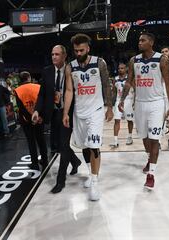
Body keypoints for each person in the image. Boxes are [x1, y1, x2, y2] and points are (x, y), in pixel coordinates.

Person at [119, 33, 169, 190]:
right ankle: (150, 158)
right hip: (140, 104)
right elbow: (129, 82)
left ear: (151, 42)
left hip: (156, 103)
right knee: (144, 139)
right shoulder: (133, 60)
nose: (139, 43)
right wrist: (122, 100)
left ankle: (151, 175)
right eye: (139, 40)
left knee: (154, 138)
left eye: (143, 40)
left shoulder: (162, 59)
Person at [63, 33, 113, 201]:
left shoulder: (99, 63)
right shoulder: (70, 66)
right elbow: (69, 91)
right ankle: (91, 174)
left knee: (93, 145)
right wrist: (65, 113)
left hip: (96, 110)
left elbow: (107, 84)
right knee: (84, 146)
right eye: (76, 50)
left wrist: (110, 107)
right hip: (79, 112)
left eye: (81, 50)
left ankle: (94, 182)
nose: (78, 53)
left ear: (88, 48)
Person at [32, 45, 82, 193]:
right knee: (59, 146)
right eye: (52, 54)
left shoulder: (72, 70)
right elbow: (42, 94)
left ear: (64, 56)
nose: (54, 57)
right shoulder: (47, 71)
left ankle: (61, 181)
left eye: (57, 54)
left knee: (63, 144)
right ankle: (75, 161)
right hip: (52, 113)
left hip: (68, 112)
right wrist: (36, 110)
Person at [15, 72, 48, 171]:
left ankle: (34, 163)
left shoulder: (17, 90)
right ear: (29, 77)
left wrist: (30, 119)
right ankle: (45, 160)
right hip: (39, 118)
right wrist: (39, 117)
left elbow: (21, 108)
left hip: (26, 121)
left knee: (31, 142)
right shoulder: (39, 87)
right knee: (41, 140)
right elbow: (44, 103)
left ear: (20, 79)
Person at [110, 63, 134, 148]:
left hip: (129, 100)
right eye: (119, 68)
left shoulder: (130, 78)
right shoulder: (115, 79)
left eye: (122, 68)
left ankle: (130, 137)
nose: (120, 70)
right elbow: (113, 91)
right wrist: (110, 102)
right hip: (118, 100)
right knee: (117, 120)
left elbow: (135, 89)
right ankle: (115, 140)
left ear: (126, 69)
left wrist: (135, 101)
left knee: (129, 120)